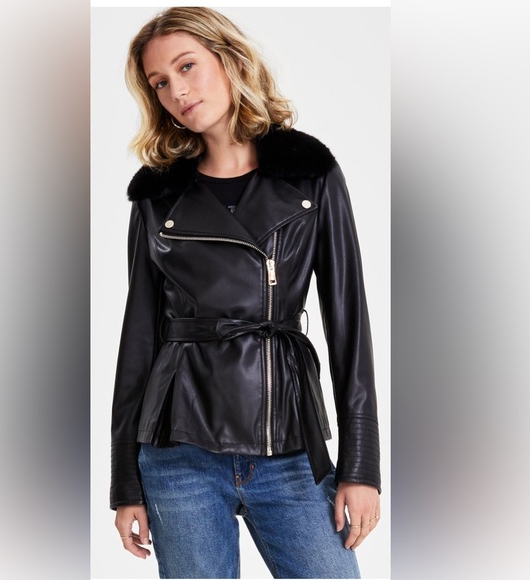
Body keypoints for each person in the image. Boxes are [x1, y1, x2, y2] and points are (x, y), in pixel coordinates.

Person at [110, 7, 381, 579]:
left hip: (288, 445)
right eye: (159, 83)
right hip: (178, 452)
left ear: (230, 60)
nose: (177, 91)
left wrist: (361, 467)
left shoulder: (309, 174)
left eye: (187, 66)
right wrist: (124, 481)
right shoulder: (157, 196)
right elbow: (138, 337)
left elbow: (349, 326)